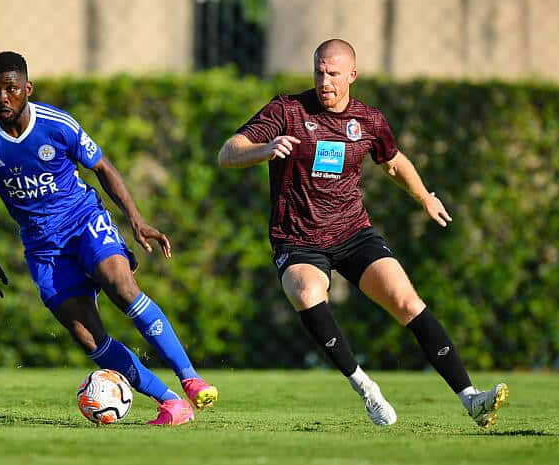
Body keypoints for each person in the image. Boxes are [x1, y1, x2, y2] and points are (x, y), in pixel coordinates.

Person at [217, 39, 507, 428]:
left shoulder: (368, 121)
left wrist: (425, 197)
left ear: (352, 75)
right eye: (319, 71)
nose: (325, 81)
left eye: (334, 73)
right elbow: (228, 152)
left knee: (406, 300)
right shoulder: (286, 110)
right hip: (298, 239)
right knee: (306, 292)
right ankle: (366, 388)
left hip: (353, 233)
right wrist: (263, 150)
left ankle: (471, 398)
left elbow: (392, 162)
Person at [0, 51, 218, 426]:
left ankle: (190, 377)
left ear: (27, 89)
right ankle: (171, 403)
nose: (2, 97)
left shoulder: (57, 125)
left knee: (120, 286)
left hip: (83, 221)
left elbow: (102, 167)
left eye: (11, 89)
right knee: (88, 337)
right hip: (42, 247)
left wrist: (136, 219)